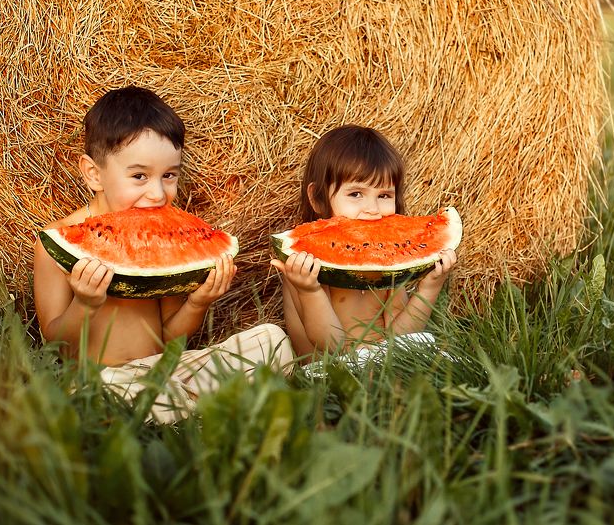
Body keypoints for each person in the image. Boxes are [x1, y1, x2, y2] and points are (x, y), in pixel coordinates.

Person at [33, 86, 292, 423]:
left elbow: (170, 338)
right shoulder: (54, 244)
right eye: (139, 176)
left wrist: (198, 302)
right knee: (120, 391)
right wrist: (83, 304)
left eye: (169, 175)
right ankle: (196, 403)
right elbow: (55, 342)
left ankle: (177, 403)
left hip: (166, 370)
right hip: (102, 379)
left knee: (273, 342)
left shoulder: (168, 241)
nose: (157, 193)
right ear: (94, 173)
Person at [271, 125, 457, 364]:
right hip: (330, 372)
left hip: (384, 363)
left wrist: (429, 289)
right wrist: (310, 291)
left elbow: (402, 337)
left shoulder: (386, 261)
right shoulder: (303, 265)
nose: (372, 209)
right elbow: (331, 346)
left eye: (384, 196)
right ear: (318, 198)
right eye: (356, 194)